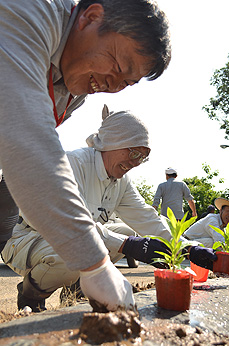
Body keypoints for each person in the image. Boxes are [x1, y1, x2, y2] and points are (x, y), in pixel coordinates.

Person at [0, 0, 172, 311]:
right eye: (119, 68)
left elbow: (145, 218)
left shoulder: (73, 92)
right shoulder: (31, 13)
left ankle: (74, 294)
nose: (113, 85)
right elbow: (29, 140)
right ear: (91, 17)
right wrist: (96, 265)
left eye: (126, 83)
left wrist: (184, 248)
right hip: (32, 234)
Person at [2, 107, 217, 311]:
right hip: (27, 236)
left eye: (143, 158)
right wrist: (128, 245)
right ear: (114, 141)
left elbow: (147, 218)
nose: (136, 162)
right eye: (134, 153)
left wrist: (187, 247)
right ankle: (30, 295)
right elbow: (73, 225)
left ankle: (78, 292)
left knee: (125, 233)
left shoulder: (121, 181)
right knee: (71, 256)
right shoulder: (71, 164)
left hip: (74, 239)